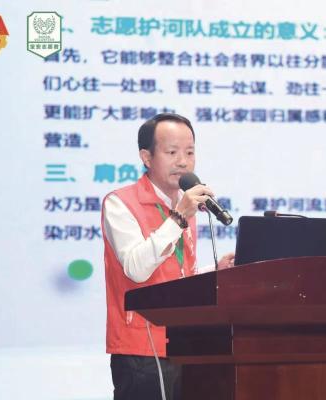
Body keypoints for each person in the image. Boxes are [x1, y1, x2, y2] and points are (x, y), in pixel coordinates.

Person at [101, 113, 234, 400]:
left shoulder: (184, 207)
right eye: (172, 152)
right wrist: (178, 217)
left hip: (186, 342)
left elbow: (179, 275)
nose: (183, 162)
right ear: (146, 157)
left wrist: (216, 270)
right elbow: (136, 269)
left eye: (190, 152)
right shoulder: (120, 203)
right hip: (141, 348)